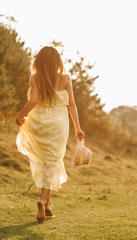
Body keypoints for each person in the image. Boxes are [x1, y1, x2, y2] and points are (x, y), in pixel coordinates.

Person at [15, 46, 85, 223]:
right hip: (58, 124)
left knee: (45, 161)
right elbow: (72, 105)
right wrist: (78, 128)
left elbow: (33, 100)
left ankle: (47, 206)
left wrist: (20, 115)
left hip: (40, 122)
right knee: (53, 161)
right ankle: (43, 200)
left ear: (38, 61)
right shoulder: (66, 78)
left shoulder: (35, 78)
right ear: (57, 62)